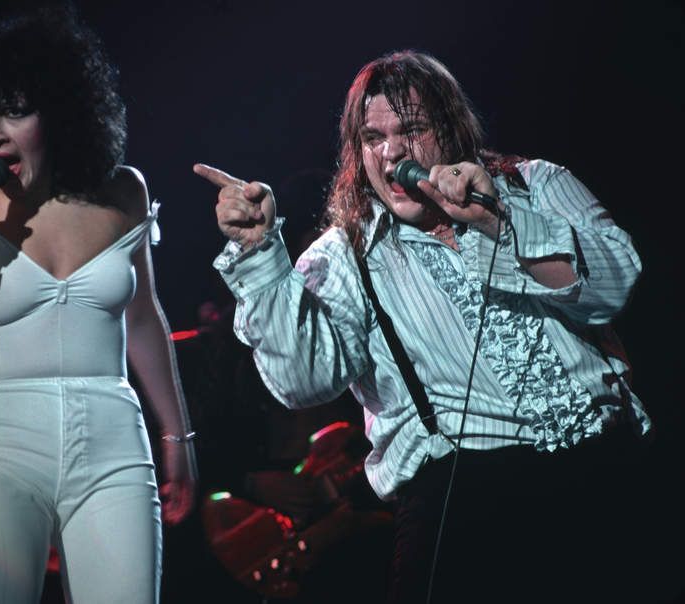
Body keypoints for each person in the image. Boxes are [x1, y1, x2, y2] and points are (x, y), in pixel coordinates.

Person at [194, 50, 653, 603]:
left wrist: (495, 221)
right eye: (372, 138)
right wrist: (261, 255)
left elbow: (617, 285)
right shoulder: (346, 255)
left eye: (411, 129)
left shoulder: (537, 185)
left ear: (451, 129)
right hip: (466, 503)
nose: (391, 155)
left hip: (608, 468)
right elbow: (302, 382)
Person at [0, 6, 196, 603]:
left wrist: (178, 440)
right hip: (0, 447)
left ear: (61, 110)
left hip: (116, 442)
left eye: (14, 110)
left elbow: (143, 320)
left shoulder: (124, 192)